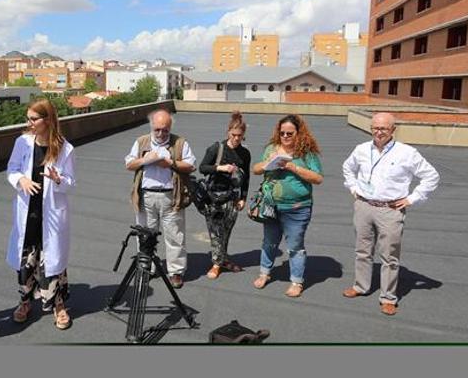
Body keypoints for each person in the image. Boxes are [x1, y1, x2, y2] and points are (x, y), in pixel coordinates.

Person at [341, 112, 439, 315]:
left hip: (390, 210)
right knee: (362, 250)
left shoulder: (407, 153)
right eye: (375, 128)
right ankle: (361, 286)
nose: (379, 132)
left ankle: (388, 297)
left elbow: (431, 176)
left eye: (384, 128)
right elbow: (347, 168)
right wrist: (353, 188)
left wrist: (412, 198)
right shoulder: (361, 150)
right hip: (364, 206)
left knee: (389, 256)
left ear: (393, 130)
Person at [6, 99, 76, 330]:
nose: (29, 123)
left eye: (33, 119)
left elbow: (71, 182)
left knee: (52, 261)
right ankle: (25, 302)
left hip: (52, 214)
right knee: (27, 258)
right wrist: (22, 180)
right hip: (29, 212)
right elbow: (12, 170)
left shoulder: (65, 148)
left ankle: (58, 305)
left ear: (47, 120)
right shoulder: (23, 142)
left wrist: (58, 180)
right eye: (28, 118)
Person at [250, 114, 323, 298]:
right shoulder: (272, 148)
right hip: (271, 206)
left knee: (295, 245)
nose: (285, 137)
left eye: (289, 133)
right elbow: (256, 169)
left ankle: (296, 281)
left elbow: (318, 178)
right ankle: (264, 273)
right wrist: (269, 163)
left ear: (299, 133)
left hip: (297, 208)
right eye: (282, 133)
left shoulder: (307, 153)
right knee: (269, 241)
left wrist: (293, 168)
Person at [125, 109, 196, 289]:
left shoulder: (180, 142)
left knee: (174, 235)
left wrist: (170, 163)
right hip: (146, 196)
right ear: (151, 127)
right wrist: (145, 160)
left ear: (170, 127)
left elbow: (191, 165)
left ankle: (176, 272)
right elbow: (129, 164)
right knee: (146, 235)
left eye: (165, 129)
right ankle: (147, 268)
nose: (161, 133)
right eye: (157, 129)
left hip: (171, 196)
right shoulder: (141, 142)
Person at [198, 110, 250, 279]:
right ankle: (216, 263)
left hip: (233, 198)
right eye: (234, 135)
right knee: (215, 232)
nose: (236, 138)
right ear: (228, 132)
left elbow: (246, 176)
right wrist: (220, 167)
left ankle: (223, 259)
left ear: (243, 135)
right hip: (214, 197)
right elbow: (202, 168)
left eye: (240, 136)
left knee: (226, 231)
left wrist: (243, 198)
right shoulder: (217, 148)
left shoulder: (244, 153)